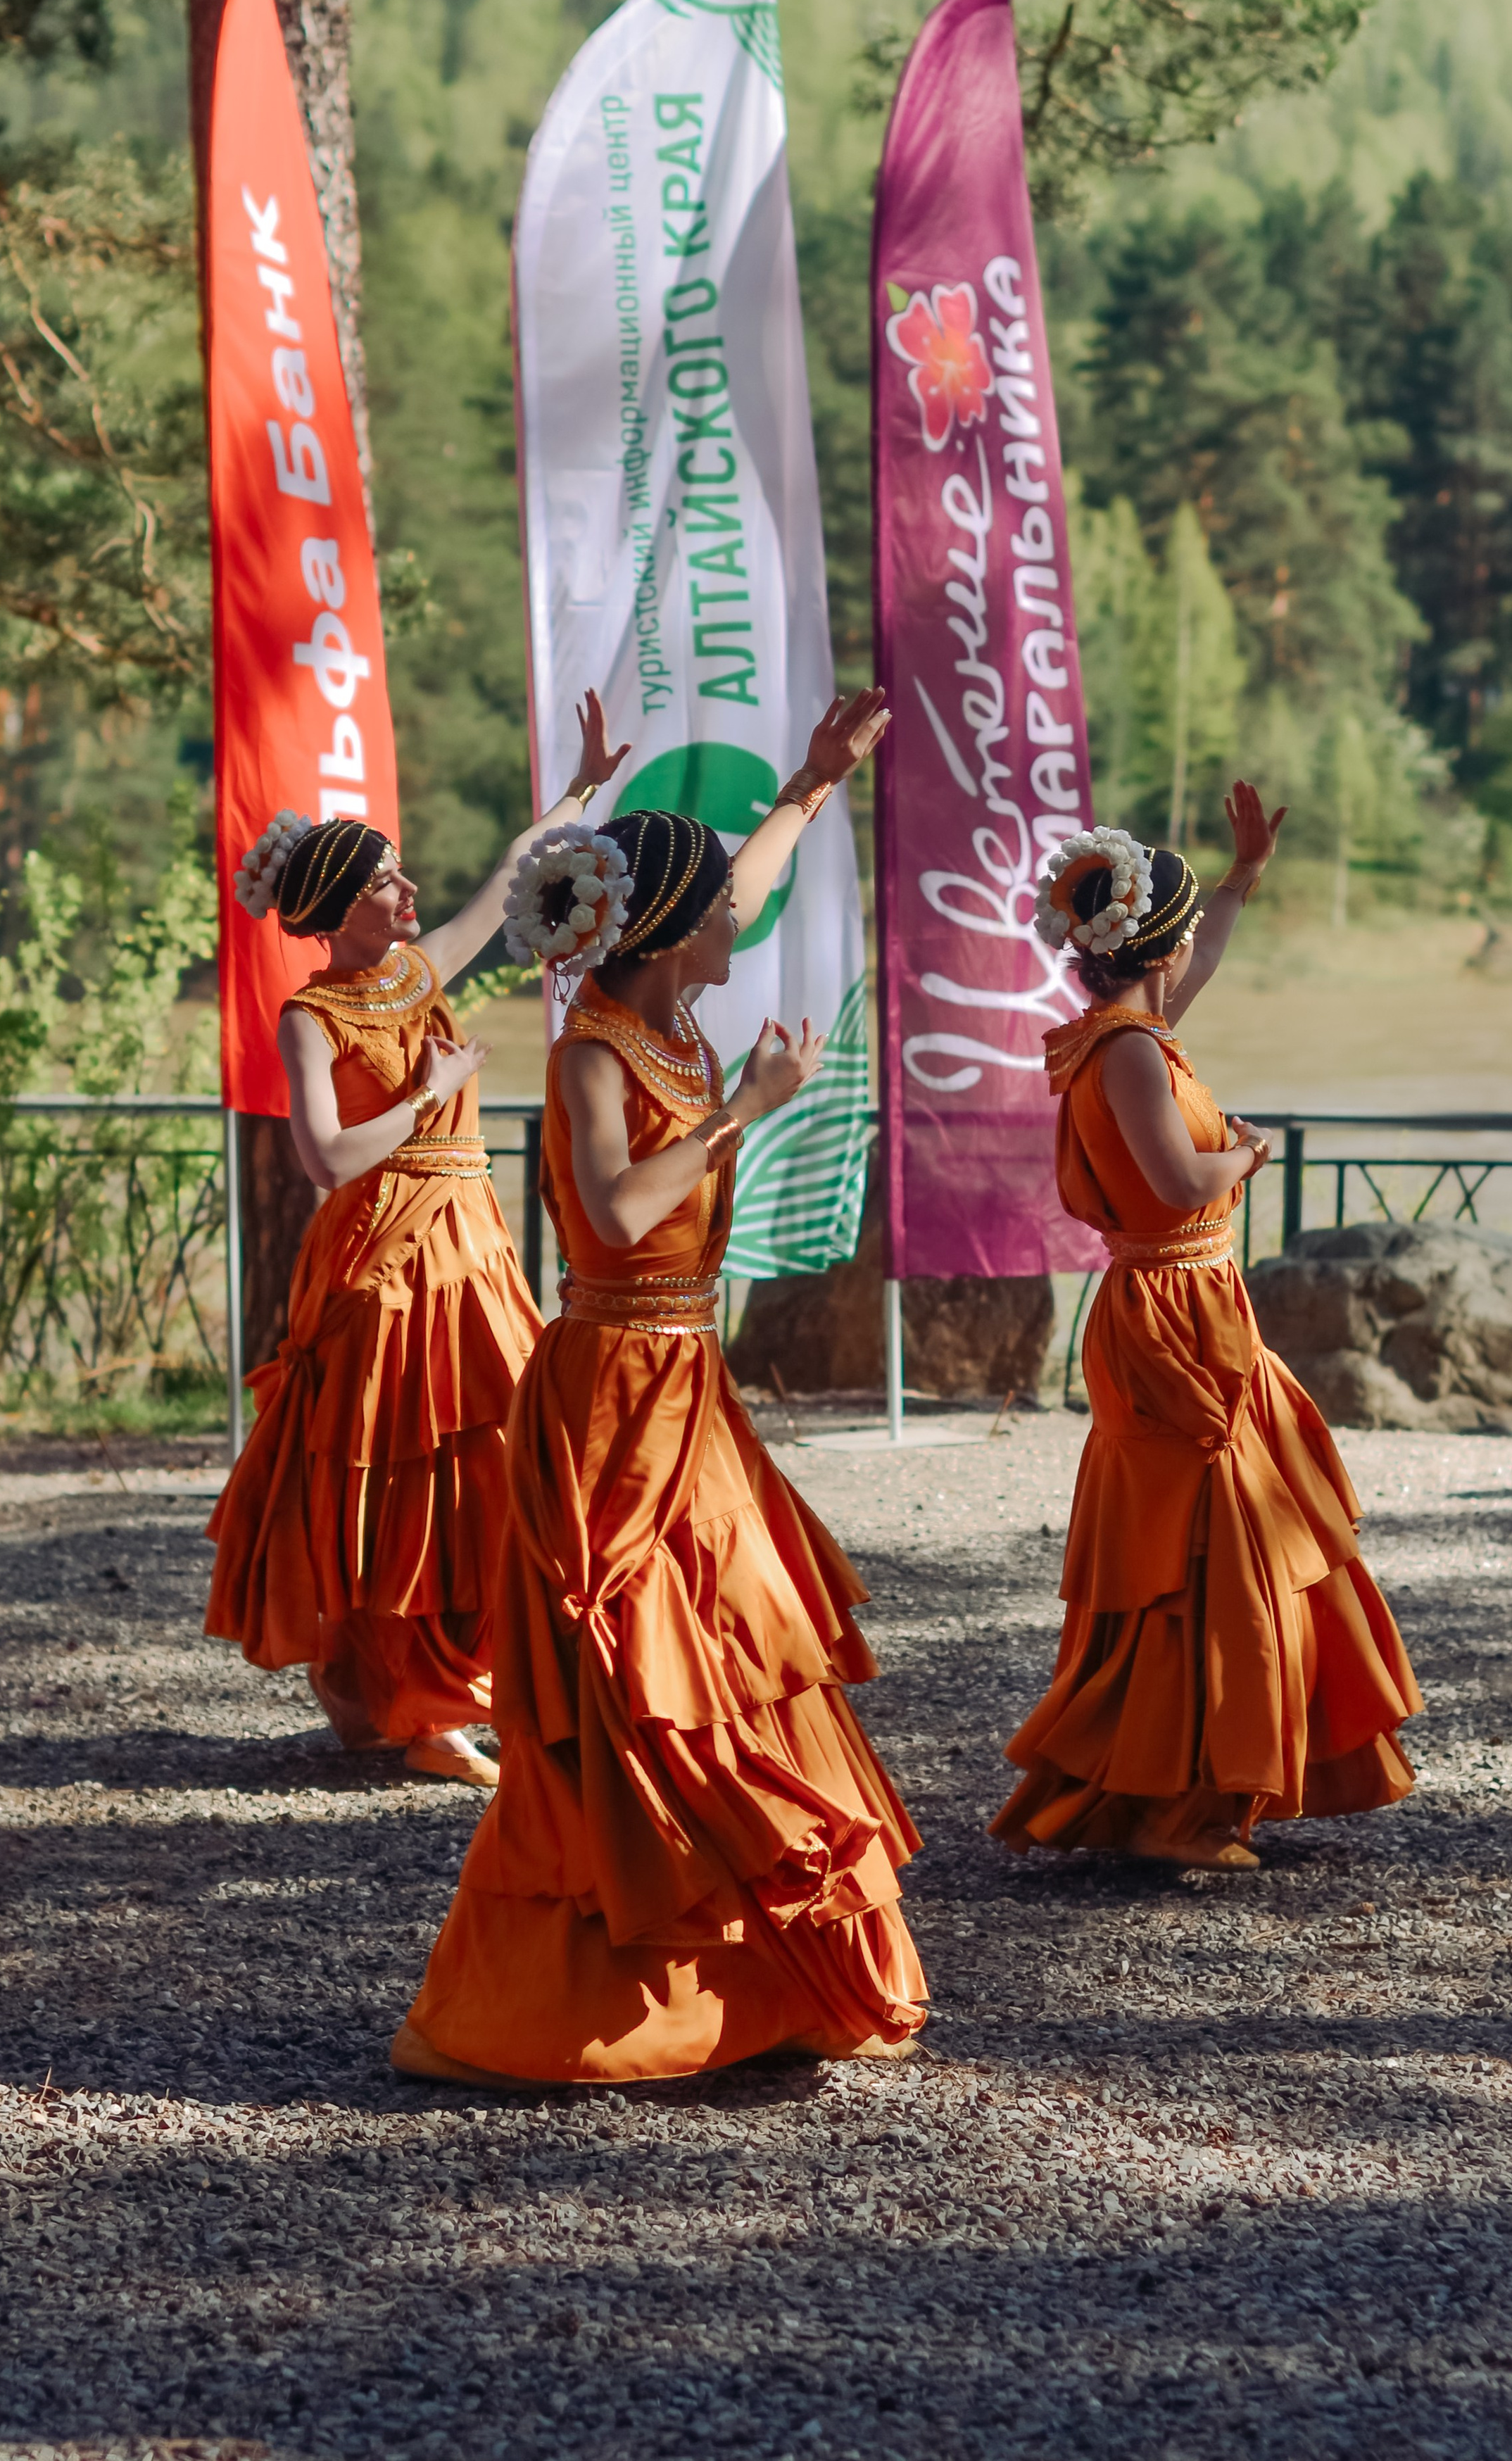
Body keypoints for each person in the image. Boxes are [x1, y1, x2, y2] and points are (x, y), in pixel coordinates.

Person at [391, 691, 928, 2082]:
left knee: (736, 1645)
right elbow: (619, 1217)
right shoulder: (587, 1049)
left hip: (690, 1381)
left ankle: (760, 1972)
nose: (736, 926)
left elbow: (737, 874)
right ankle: (596, 1994)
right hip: (609, 1388)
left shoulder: (680, 1019)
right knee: (635, 1666)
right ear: (661, 930)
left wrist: (814, 782)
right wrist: (743, 1115)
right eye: (713, 915)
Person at [990, 789, 1422, 1871]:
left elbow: (1205, 953)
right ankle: (1169, 1797)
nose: (1197, 955)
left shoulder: (1131, 1032)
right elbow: (1180, 1179)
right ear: (1157, 952)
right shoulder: (1131, 1051)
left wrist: (1241, 876)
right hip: (1172, 1313)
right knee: (1202, 1547)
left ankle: (1186, 1781)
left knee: (1220, 1533)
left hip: (1195, 1305)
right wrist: (1247, 1153)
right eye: (1187, 939)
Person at [204, 691, 630, 1787]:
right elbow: (327, 1158)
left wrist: (583, 785)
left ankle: (453, 1684)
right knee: (400, 1480)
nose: (408, 888)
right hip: (382, 1269)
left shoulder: (420, 971)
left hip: (468, 1249)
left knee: (501, 1455)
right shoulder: (314, 1016)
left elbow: (509, 874)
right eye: (387, 878)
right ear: (343, 905)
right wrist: (429, 1090)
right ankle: (411, 1704)